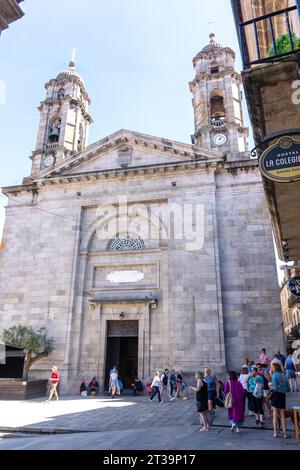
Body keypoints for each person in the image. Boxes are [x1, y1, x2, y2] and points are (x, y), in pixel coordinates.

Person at [270, 363, 292, 439]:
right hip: (282, 396)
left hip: (276, 395)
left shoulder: (274, 375)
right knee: (282, 415)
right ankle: (285, 433)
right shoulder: (284, 376)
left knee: (275, 415)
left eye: (272, 367)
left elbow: (275, 387)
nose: (271, 368)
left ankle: (275, 433)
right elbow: (289, 389)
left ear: (275, 368)